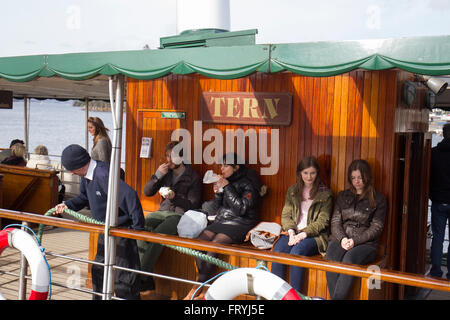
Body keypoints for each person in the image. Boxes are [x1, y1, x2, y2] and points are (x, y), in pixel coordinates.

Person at [53, 144, 145, 300]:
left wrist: (137, 229)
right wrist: (67, 205)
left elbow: (130, 195)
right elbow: (83, 198)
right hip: (105, 230)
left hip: (121, 231)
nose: (70, 172)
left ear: (76, 167)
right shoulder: (86, 177)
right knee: (99, 272)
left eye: (70, 169)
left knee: (124, 281)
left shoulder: (103, 174)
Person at [184, 152, 260, 300]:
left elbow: (241, 209)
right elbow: (217, 207)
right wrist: (218, 193)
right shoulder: (225, 181)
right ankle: (204, 281)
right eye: (221, 165)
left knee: (215, 243)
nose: (222, 168)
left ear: (236, 167)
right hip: (221, 221)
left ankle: (199, 284)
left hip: (240, 223)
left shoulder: (249, 184)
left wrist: (227, 188)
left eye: (226, 165)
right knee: (197, 242)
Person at [137, 141, 202, 296]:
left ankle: (140, 276)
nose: (168, 160)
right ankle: (145, 277)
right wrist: (157, 175)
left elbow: (193, 204)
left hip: (180, 215)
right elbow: (147, 192)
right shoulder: (165, 172)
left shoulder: (192, 177)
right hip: (161, 212)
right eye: (167, 156)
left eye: (172, 157)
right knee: (140, 228)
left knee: (158, 235)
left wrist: (174, 197)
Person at [325, 159, 386, 300]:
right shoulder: (342, 195)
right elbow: (335, 221)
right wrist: (343, 239)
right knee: (331, 257)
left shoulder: (379, 199)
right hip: (341, 239)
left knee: (349, 259)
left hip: (366, 244)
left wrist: (355, 241)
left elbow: (376, 228)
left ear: (367, 177)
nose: (356, 181)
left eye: (360, 177)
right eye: (353, 178)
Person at [271, 156, 333, 293]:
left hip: (314, 236)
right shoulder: (293, 190)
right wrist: (292, 232)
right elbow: (286, 215)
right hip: (293, 232)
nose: (309, 177)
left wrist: (303, 234)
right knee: (278, 251)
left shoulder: (325, 194)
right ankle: (276, 294)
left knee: (297, 252)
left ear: (317, 173)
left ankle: (295, 295)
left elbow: (323, 221)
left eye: (312, 173)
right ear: (300, 173)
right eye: (305, 173)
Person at [429, 123, 450, 279]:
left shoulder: (433, 153)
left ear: (443, 134)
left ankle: (436, 272)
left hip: (438, 202)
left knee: (437, 237)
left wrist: (432, 195)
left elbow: (428, 178)